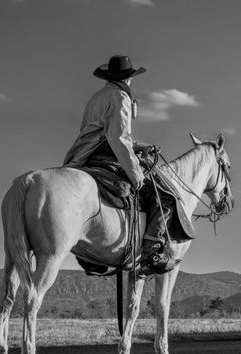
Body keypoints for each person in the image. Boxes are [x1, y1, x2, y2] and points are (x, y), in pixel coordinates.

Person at [62, 55, 178, 275]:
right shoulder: (120, 97)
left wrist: (139, 146)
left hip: (84, 155)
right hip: (110, 154)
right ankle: (152, 253)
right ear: (129, 78)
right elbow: (118, 139)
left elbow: (103, 132)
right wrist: (135, 173)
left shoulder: (96, 97)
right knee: (164, 196)